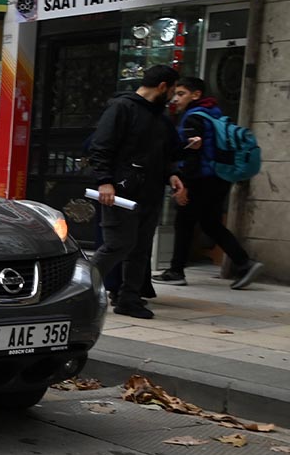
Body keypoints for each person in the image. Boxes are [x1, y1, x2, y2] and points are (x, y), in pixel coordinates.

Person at [87, 65, 198, 320]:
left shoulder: (160, 118)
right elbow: (101, 147)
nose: (172, 97)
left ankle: (129, 298)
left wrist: (174, 172)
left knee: (140, 248)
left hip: (150, 192)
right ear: (162, 87)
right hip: (120, 192)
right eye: (172, 90)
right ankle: (79, 291)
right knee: (117, 244)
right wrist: (105, 181)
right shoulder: (122, 108)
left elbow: (167, 153)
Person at [153, 77, 263, 289]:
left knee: (184, 223)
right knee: (210, 223)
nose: (176, 98)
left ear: (196, 95)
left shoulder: (193, 118)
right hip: (219, 178)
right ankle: (244, 263)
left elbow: (192, 155)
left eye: (181, 93)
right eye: (175, 93)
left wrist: (183, 184)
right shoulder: (215, 113)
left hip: (200, 179)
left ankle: (176, 270)